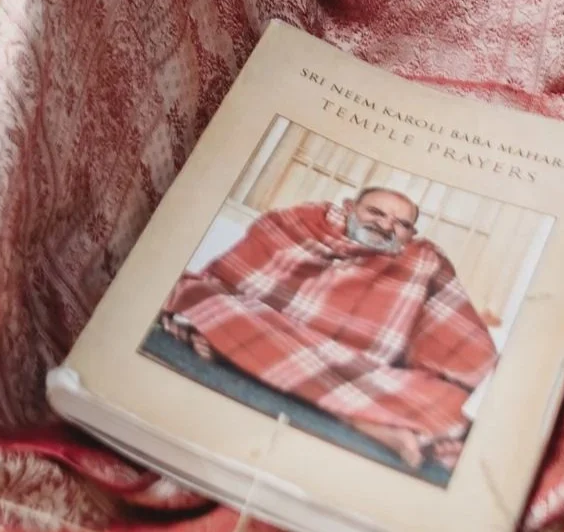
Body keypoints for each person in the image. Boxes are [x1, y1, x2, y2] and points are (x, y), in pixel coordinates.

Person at [157, 186, 498, 474]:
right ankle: (359, 419)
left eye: (401, 224)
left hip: (355, 363)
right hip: (269, 325)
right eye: (376, 213)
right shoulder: (304, 223)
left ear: (411, 235)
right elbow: (237, 278)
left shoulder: (422, 260)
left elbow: (455, 331)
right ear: (349, 208)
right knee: (202, 295)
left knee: (451, 403)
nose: (385, 225)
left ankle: (232, 352)